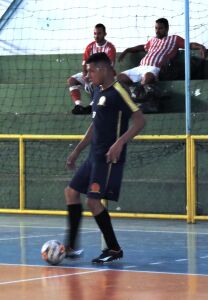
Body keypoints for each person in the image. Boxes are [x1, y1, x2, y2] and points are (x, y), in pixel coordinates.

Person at [64, 52, 145, 263]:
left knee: (93, 201)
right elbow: (94, 125)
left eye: (90, 71)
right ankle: (71, 246)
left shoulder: (119, 90)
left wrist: (119, 143)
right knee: (71, 192)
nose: (88, 76)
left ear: (102, 69)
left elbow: (139, 121)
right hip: (93, 156)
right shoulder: (97, 91)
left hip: (109, 158)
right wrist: (78, 150)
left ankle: (114, 249)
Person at [118, 18, 206, 97]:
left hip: (155, 68)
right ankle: (132, 93)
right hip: (141, 67)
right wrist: (128, 50)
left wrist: (200, 46)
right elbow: (142, 47)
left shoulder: (174, 39)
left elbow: (189, 44)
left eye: (160, 28)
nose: (157, 31)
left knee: (148, 77)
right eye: (156, 28)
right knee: (120, 77)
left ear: (167, 29)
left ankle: (138, 95)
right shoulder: (152, 40)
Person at [68, 24, 116, 115]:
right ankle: (78, 106)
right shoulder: (90, 46)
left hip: (105, 76)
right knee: (71, 80)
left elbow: (110, 67)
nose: (96, 36)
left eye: (99, 33)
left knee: (100, 80)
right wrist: (85, 76)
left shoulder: (110, 47)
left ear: (105, 34)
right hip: (90, 74)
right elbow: (84, 63)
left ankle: (91, 106)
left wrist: (93, 77)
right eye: (95, 33)